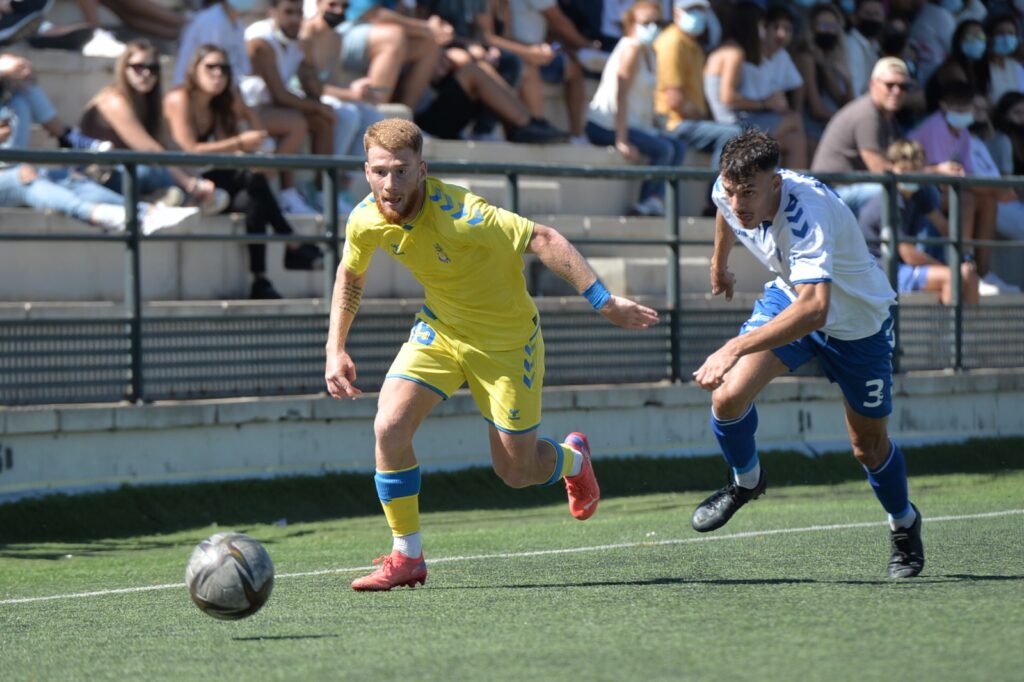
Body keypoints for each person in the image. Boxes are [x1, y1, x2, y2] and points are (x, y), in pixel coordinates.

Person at [324, 118, 660, 591]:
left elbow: (543, 238)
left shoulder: (466, 213)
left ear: (423, 170)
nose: (390, 184)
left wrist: (604, 301)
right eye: (380, 172)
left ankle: (574, 461)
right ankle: (407, 557)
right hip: (440, 332)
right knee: (388, 426)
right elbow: (350, 275)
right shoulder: (364, 219)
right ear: (365, 171)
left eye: (401, 171)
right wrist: (335, 347)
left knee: (516, 472)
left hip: (507, 344)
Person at [691, 128, 924, 579]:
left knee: (867, 448)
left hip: (857, 324)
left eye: (749, 193)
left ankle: (904, 524)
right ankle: (747, 481)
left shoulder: (807, 215)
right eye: (732, 190)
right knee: (727, 397)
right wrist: (718, 265)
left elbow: (817, 310)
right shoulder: (730, 188)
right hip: (791, 297)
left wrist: (734, 346)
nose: (738, 202)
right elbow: (725, 213)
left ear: (775, 184)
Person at [164, 44, 323, 300]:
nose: (218, 74)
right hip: (178, 181)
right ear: (194, 70)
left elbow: (260, 142)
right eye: (211, 67)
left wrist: (247, 110)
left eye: (224, 69)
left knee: (254, 197)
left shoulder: (218, 103)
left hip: (209, 180)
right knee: (254, 182)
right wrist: (239, 143)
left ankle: (260, 279)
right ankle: (291, 244)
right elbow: (188, 149)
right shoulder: (178, 98)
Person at [79, 39, 228, 214]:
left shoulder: (147, 103)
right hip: (101, 176)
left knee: (202, 183)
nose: (146, 74)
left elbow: (167, 145)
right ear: (123, 68)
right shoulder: (113, 100)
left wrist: (197, 178)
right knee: (153, 172)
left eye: (153, 69)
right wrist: (190, 184)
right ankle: (177, 198)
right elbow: (149, 150)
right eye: (138, 67)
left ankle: (166, 198)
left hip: (134, 171)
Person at [587, 0, 687, 217]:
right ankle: (648, 201)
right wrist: (621, 140)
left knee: (678, 147)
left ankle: (655, 200)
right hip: (606, 125)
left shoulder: (649, 52)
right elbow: (620, 96)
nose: (653, 28)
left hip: (631, 124)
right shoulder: (630, 47)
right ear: (632, 23)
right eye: (647, 22)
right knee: (665, 150)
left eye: (658, 23)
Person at [858, 139, 980, 305]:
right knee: (952, 277)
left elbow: (946, 229)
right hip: (879, 271)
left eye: (915, 170)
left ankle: (968, 331)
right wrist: (949, 268)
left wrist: (966, 258)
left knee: (969, 275)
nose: (910, 175)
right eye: (904, 170)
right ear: (891, 168)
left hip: (900, 267)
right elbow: (908, 254)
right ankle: (950, 331)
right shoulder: (889, 202)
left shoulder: (919, 194)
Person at [702, 0, 806, 168]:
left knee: (794, 141)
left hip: (734, 121)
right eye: (761, 26)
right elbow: (728, 97)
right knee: (793, 119)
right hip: (731, 125)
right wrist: (765, 103)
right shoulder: (733, 53)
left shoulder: (729, 49)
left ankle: (791, 189)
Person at [654, 0, 740, 169]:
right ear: (675, 13)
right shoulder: (672, 42)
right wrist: (702, 117)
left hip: (687, 122)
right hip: (672, 122)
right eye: (691, 9)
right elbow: (675, 101)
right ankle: (717, 194)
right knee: (732, 134)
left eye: (700, 9)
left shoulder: (694, 47)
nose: (698, 14)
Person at [340, 0, 452, 109]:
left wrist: (437, 30)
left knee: (429, 44)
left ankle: (405, 121)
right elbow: (373, 14)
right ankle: (375, 117)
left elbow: (406, 16)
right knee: (393, 37)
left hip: (375, 36)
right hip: (341, 32)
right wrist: (426, 28)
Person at [792, 2, 854, 155]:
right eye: (823, 25)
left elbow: (845, 104)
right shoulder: (805, 57)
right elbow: (816, 109)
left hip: (822, 124)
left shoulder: (826, 58)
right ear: (811, 28)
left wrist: (848, 80)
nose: (829, 31)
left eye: (833, 26)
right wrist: (846, 122)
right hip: (805, 125)